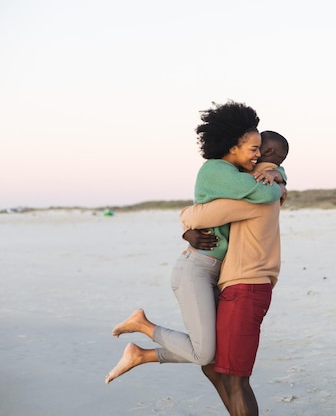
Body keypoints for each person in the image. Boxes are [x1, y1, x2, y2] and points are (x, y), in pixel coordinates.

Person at [104, 101, 286, 387]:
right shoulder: (216, 170)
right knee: (205, 353)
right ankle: (144, 327)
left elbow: (268, 174)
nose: (257, 156)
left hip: (215, 270)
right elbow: (261, 193)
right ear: (232, 146)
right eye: (253, 149)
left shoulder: (236, 171)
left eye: (261, 152)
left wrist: (278, 173)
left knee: (211, 353)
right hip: (196, 268)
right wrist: (276, 183)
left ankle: (140, 354)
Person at [178, 184, 284, 416]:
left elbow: (196, 215)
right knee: (213, 367)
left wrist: (185, 221)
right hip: (238, 287)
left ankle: (145, 343)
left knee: (236, 381)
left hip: (245, 288)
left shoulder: (258, 197)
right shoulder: (266, 189)